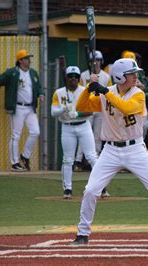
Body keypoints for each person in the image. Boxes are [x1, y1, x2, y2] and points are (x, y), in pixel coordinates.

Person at [71, 58, 148, 245]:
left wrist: (103, 91)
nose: (136, 76)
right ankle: (82, 234)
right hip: (109, 150)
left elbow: (126, 108)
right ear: (120, 77)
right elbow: (81, 107)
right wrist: (89, 87)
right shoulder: (106, 93)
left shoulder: (138, 94)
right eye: (132, 74)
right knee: (91, 190)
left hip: (135, 149)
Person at [0, 49, 44, 172]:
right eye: (26, 58)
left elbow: (39, 86)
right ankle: (14, 163)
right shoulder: (12, 73)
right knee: (16, 135)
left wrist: (41, 94)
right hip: (18, 107)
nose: (29, 60)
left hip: (30, 107)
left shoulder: (33, 73)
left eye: (29, 58)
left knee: (35, 132)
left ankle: (25, 156)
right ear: (20, 61)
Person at [51, 66, 98, 199]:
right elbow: (53, 112)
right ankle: (67, 188)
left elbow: (91, 111)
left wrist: (77, 113)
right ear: (66, 78)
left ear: (79, 78)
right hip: (67, 127)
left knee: (91, 156)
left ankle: (100, 185)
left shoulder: (85, 91)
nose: (73, 79)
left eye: (76, 76)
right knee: (68, 159)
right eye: (70, 76)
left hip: (84, 125)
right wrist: (63, 109)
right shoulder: (59, 93)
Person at [76, 50, 112, 174]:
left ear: (101, 62)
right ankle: (78, 161)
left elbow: (110, 93)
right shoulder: (84, 75)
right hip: (88, 108)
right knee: (84, 134)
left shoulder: (106, 76)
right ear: (90, 62)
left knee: (97, 136)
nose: (95, 63)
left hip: (100, 109)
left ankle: (94, 162)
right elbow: (80, 91)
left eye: (98, 61)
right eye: (93, 61)